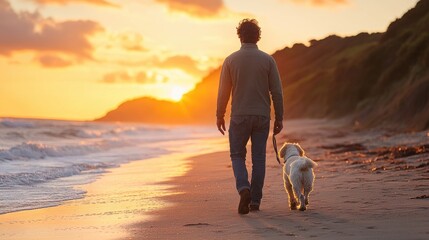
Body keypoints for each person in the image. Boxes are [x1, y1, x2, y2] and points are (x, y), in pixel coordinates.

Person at [216, 18, 284, 214]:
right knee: (259, 159)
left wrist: (220, 115)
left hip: (239, 116)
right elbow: (277, 92)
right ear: (258, 36)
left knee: (237, 156)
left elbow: (223, 92)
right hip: (262, 116)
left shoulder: (230, 60)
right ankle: (255, 201)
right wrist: (279, 117)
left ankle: (243, 188)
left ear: (240, 36)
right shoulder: (268, 60)